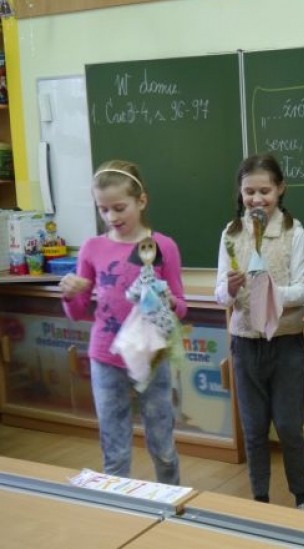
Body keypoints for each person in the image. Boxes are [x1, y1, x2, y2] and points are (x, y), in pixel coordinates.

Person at [60, 160, 186, 484]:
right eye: (103, 210)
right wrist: (70, 293)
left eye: (119, 208)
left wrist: (170, 302)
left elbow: (181, 306)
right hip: (106, 355)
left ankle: (170, 501)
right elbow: (77, 312)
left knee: (162, 443)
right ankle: (117, 506)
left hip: (152, 356)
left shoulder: (163, 246)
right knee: (114, 447)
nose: (111, 217)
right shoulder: (92, 248)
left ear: (141, 201)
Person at [215, 153, 304, 511]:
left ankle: (302, 496)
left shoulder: (294, 231)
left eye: (265, 191)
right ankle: (260, 498)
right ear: (240, 193)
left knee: (289, 426)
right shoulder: (231, 233)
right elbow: (220, 294)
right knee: (254, 428)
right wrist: (230, 288)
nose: (257, 199)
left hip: (285, 343)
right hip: (245, 343)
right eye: (249, 192)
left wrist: (271, 293)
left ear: (280, 189)